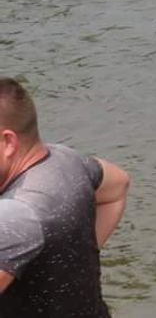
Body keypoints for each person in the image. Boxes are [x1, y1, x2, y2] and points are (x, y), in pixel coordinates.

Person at [0, 78, 130, 316]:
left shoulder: (14, 216)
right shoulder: (67, 159)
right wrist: (76, 259)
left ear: (8, 142)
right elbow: (118, 185)